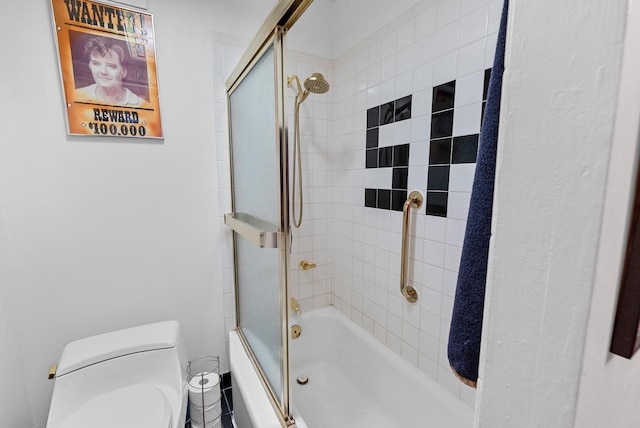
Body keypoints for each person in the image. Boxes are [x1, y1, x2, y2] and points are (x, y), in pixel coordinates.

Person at [75, 36, 149, 107]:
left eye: (111, 66)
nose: (103, 71)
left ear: (124, 72)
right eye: (96, 64)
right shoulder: (77, 96)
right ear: (89, 66)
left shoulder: (142, 105)